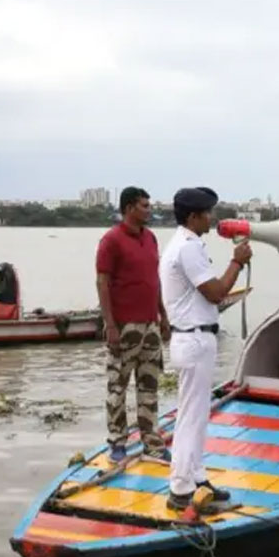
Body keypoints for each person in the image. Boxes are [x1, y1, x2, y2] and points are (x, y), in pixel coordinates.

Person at [160, 186, 251, 510]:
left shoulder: (185, 244)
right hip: (194, 338)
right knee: (191, 417)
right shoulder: (187, 248)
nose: (211, 218)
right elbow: (216, 292)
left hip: (194, 338)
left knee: (197, 415)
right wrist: (237, 262)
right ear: (193, 216)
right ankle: (181, 491)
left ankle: (196, 475)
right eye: (206, 213)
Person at [96, 187, 172, 463]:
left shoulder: (150, 238)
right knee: (118, 386)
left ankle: (152, 443)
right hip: (124, 325)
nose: (149, 210)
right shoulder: (111, 240)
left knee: (149, 386)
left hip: (150, 324)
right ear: (129, 208)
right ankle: (117, 443)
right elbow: (102, 283)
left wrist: (162, 314)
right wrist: (111, 325)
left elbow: (155, 279)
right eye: (144, 206)